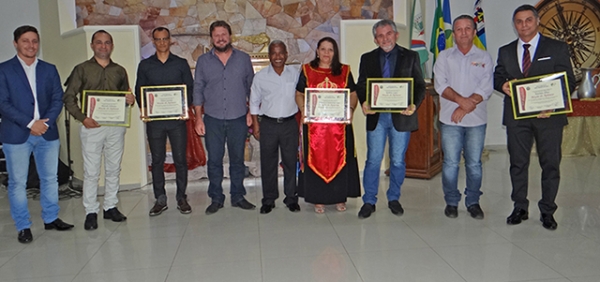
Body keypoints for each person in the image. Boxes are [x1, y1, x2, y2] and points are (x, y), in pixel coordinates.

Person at [494, 4, 575, 230]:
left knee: (550, 164)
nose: (524, 25)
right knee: (518, 163)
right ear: (514, 25)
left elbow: (568, 80)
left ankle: (547, 210)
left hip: (548, 116)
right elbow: (498, 75)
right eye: (519, 22)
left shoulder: (557, 48)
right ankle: (520, 206)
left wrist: (553, 104)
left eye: (528, 20)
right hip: (516, 118)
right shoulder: (506, 51)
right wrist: (502, 85)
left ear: (537, 21)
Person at [0, 25, 74, 243]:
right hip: (17, 134)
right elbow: (3, 103)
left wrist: (45, 123)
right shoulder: (4, 70)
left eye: (34, 41)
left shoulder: (49, 69)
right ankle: (23, 226)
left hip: (47, 133)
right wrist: (31, 123)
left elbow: (56, 98)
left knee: (50, 179)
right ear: (15, 43)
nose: (31, 45)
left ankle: (51, 218)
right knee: (18, 183)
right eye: (25, 41)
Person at [64, 30, 135, 230]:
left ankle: (110, 206)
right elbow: (69, 97)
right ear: (92, 45)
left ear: (112, 46)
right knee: (91, 171)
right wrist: (82, 118)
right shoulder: (82, 69)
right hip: (91, 127)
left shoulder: (120, 70)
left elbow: (126, 97)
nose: (103, 46)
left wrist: (131, 100)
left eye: (107, 43)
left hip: (115, 127)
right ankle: (91, 211)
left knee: (114, 168)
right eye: (99, 43)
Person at [355, 19, 426, 219]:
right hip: (377, 118)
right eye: (380, 35)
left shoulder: (410, 56)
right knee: (373, 160)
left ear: (396, 35)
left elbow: (419, 86)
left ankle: (394, 197)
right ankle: (369, 200)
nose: (385, 38)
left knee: (397, 161)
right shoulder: (367, 58)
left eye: (388, 34)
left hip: (401, 118)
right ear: (375, 39)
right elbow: (361, 85)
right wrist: (364, 101)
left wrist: (414, 104)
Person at [433, 15, 493, 219]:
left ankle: (473, 201)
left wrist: (466, 107)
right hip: (450, 120)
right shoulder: (444, 57)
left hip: (476, 120)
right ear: (454, 34)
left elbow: (486, 87)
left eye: (468, 28)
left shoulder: (484, 57)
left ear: (475, 32)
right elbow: (440, 85)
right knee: (450, 163)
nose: (464, 32)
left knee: (474, 164)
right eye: (459, 29)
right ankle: (451, 201)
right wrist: (461, 101)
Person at [193, 20, 256, 214]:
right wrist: (198, 118)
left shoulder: (243, 59)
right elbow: (198, 90)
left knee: (238, 160)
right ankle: (216, 198)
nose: (220, 38)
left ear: (230, 36)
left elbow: (252, 88)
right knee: (214, 160)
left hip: (238, 117)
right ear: (211, 38)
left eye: (224, 34)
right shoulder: (203, 61)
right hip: (212, 118)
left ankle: (238, 196)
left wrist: (250, 113)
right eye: (216, 35)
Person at [295, 37, 360, 214]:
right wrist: (304, 110)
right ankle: (318, 199)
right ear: (317, 51)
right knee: (315, 160)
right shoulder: (307, 70)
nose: (326, 53)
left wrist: (351, 109)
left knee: (341, 159)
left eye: (330, 50)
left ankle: (339, 197)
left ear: (335, 52)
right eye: (322, 49)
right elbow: (299, 93)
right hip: (315, 128)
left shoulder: (345, 71)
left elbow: (353, 94)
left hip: (339, 127)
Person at [135, 27, 194, 216]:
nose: (161, 42)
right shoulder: (145, 66)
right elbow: (139, 91)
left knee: (180, 159)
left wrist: (184, 107)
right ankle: (160, 198)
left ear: (170, 41)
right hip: (155, 123)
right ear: (154, 42)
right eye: (158, 39)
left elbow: (190, 90)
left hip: (177, 121)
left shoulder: (181, 64)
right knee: (158, 160)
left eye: (165, 39)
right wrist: (146, 110)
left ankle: (181, 197)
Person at [250, 40, 300, 214]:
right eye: (274, 53)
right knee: (268, 163)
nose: (277, 57)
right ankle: (269, 199)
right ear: (269, 56)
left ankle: (291, 198)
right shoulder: (261, 76)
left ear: (286, 54)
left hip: (289, 124)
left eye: (281, 53)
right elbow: (254, 102)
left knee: (290, 162)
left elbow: (302, 95)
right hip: (268, 124)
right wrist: (256, 124)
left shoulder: (295, 73)